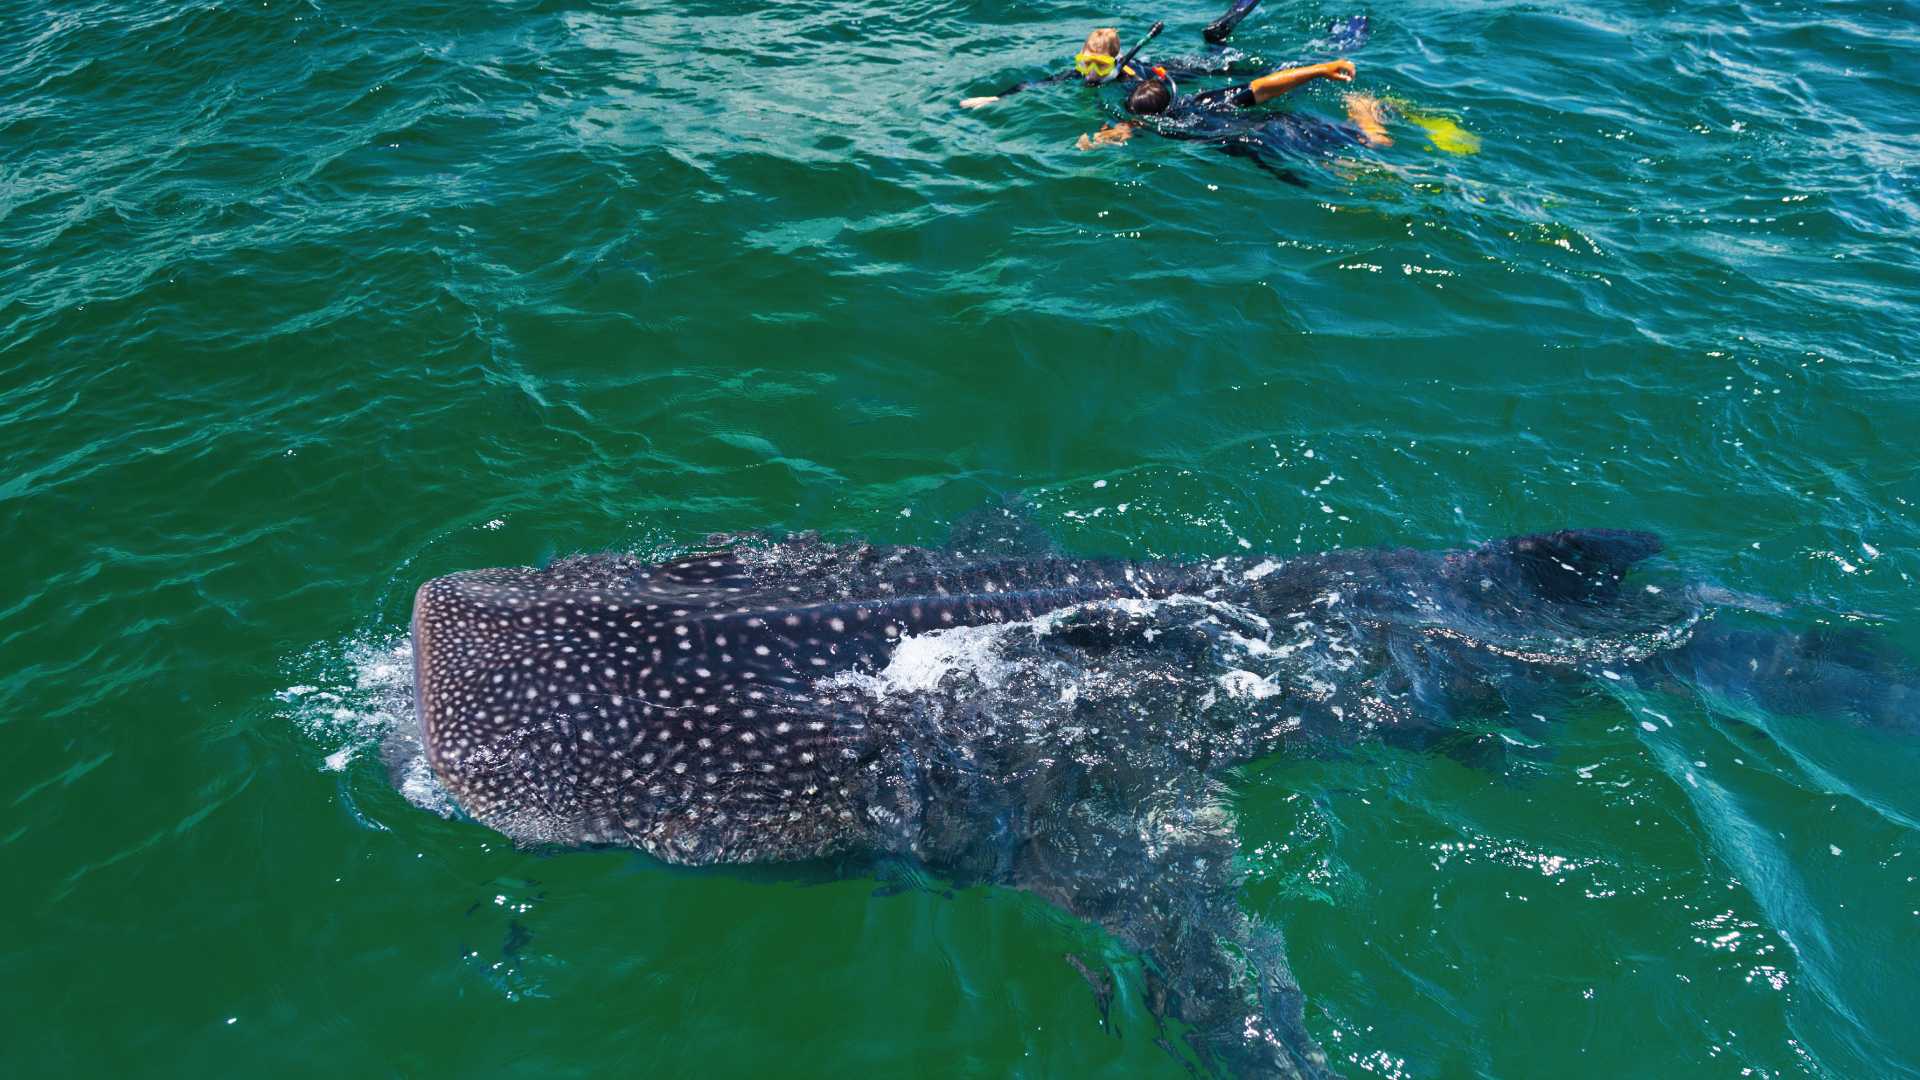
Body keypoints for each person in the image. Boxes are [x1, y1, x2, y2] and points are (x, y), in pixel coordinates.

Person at [1075, 62, 1393, 182]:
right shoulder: (1204, 101)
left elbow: (1131, 127)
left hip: (1265, 141)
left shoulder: (1162, 126)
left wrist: (1101, 140)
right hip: (1277, 126)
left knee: (1352, 169)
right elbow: (1263, 86)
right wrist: (1321, 69)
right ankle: (1365, 115)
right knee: (1374, 147)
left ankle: (1364, 114)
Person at [960, 2, 1268, 111]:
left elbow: (1152, 101)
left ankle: (1218, 38)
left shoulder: (1128, 79)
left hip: (1163, 72)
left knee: (1219, 69)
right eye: (1085, 63)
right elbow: (1034, 85)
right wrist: (996, 98)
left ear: (1116, 60)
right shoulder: (1080, 75)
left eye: (1100, 65)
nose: (1091, 73)